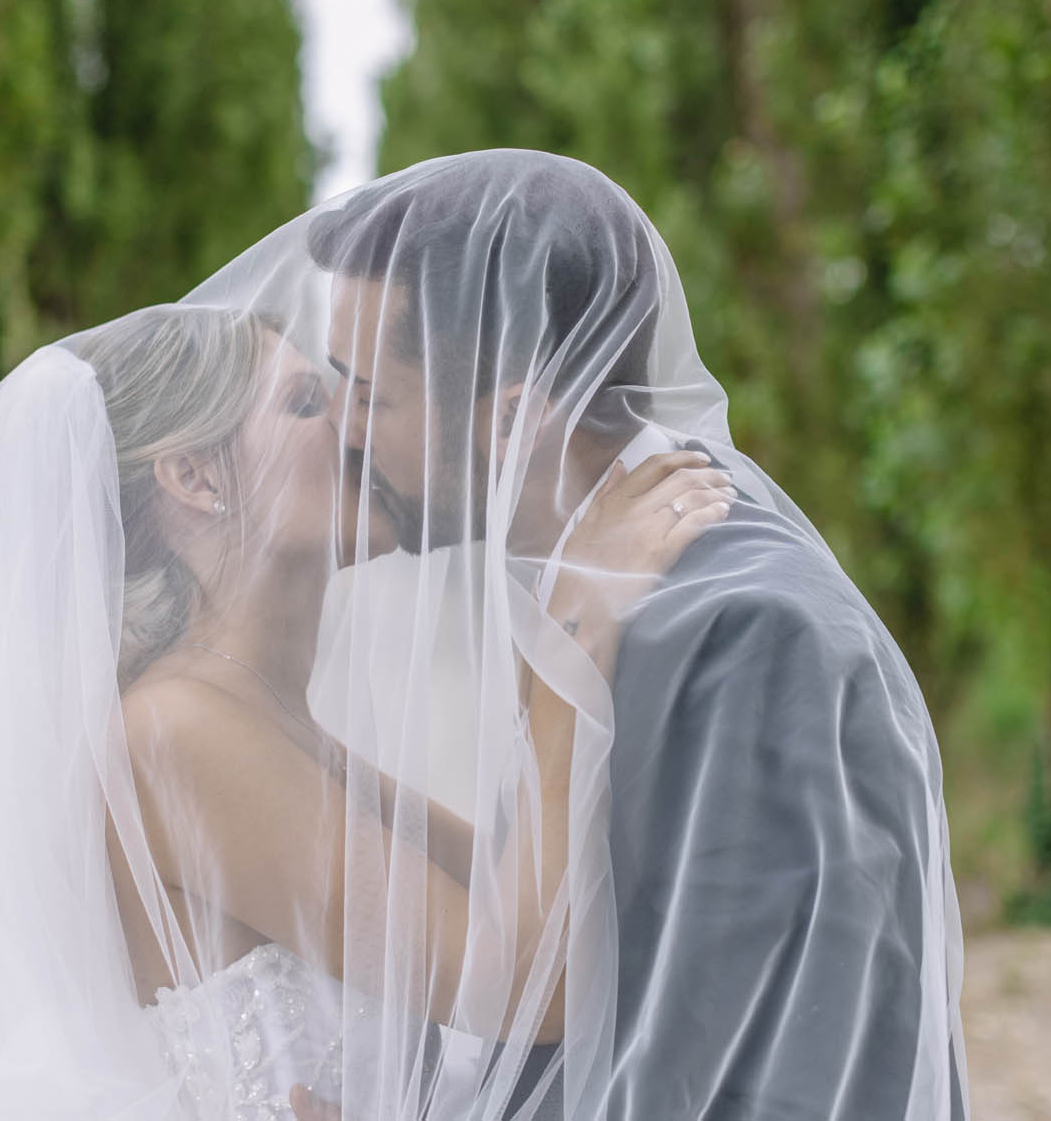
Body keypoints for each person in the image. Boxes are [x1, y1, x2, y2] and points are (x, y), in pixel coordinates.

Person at [0, 300, 730, 1121]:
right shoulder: (177, 735)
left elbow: (519, 895)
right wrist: (574, 627)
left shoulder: (273, 725)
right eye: (308, 402)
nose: (358, 429)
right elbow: (530, 983)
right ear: (195, 478)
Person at [268, 149, 970, 1119]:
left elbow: (771, 1071)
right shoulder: (584, 606)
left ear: (509, 418)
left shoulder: (746, 633)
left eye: (367, 395)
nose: (343, 433)